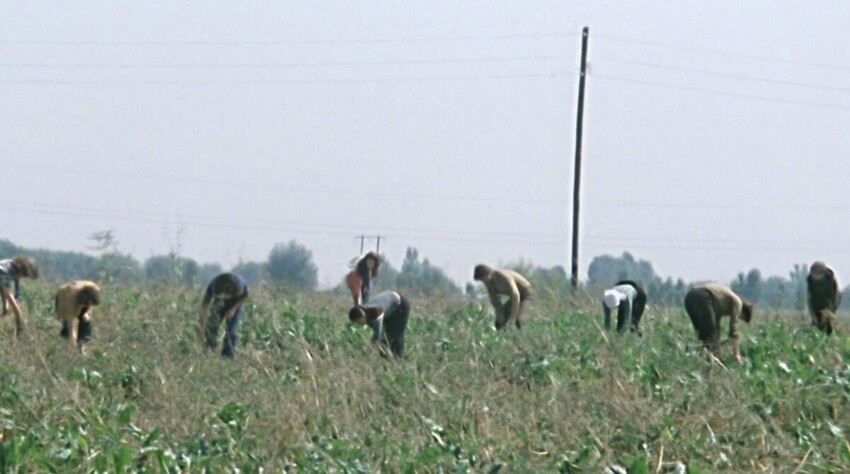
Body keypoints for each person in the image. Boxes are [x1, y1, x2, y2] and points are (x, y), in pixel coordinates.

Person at [684, 283, 754, 362]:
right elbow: (733, 331)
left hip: (690, 296)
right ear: (744, 313)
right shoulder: (738, 303)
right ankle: (711, 364)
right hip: (704, 297)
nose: (739, 318)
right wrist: (736, 354)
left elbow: (716, 326)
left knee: (702, 335)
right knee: (710, 337)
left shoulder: (722, 304)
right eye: (742, 318)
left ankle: (702, 361)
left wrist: (718, 344)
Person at [198, 273, 249, 359]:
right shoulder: (213, 285)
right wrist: (200, 322)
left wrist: (233, 310)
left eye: (225, 295)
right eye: (221, 295)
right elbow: (204, 306)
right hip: (218, 304)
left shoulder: (240, 285)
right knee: (211, 328)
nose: (224, 297)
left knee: (231, 332)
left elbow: (245, 295)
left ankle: (227, 357)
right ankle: (209, 352)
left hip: (235, 304)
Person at [348, 290, 410, 358]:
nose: (360, 324)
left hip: (400, 304)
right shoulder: (363, 310)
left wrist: (366, 349)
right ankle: (386, 358)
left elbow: (378, 335)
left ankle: (398, 358)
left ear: (362, 316)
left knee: (395, 334)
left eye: (359, 322)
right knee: (386, 338)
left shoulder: (376, 312)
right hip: (389, 306)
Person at [473, 264, 532, 330]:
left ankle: (524, 337)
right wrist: (500, 317)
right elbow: (495, 302)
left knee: (518, 320)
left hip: (525, 294)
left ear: (487, 274)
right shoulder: (489, 283)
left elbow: (516, 295)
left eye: (483, 279)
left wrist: (512, 318)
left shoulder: (501, 276)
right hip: (514, 298)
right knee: (498, 324)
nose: (483, 282)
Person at [55, 280, 101, 352]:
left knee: (86, 319)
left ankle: (82, 343)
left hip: (82, 297)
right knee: (67, 327)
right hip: (64, 298)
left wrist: (87, 313)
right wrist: (72, 337)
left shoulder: (95, 289)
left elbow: (91, 303)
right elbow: (70, 321)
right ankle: (66, 345)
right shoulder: (68, 297)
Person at [806, 261, 840, 334]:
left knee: (827, 328)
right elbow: (809, 298)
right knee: (815, 329)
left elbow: (836, 297)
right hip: (816, 306)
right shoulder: (810, 280)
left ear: (822, 274)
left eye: (816, 275)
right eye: (813, 274)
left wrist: (830, 312)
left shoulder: (830, 280)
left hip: (828, 306)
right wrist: (813, 315)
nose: (814, 277)